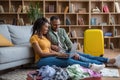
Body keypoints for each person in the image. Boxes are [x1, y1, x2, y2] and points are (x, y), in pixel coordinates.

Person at [30, 17, 106, 73]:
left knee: (69, 57)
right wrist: (57, 53)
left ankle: (97, 64)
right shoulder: (34, 38)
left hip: (50, 56)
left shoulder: (44, 37)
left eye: (47, 26)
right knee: (67, 61)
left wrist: (59, 54)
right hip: (40, 61)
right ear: (40, 26)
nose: (47, 28)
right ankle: (91, 66)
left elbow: (49, 50)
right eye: (46, 26)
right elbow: (41, 53)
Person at [47, 16, 120, 68]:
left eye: (58, 24)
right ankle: (108, 63)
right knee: (82, 58)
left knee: (87, 55)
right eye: (54, 25)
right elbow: (50, 47)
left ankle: (108, 60)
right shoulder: (48, 32)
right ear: (50, 24)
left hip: (68, 50)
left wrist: (73, 51)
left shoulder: (62, 30)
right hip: (61, 53)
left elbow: (68, 42)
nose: (57, 27)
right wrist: (58, 49)